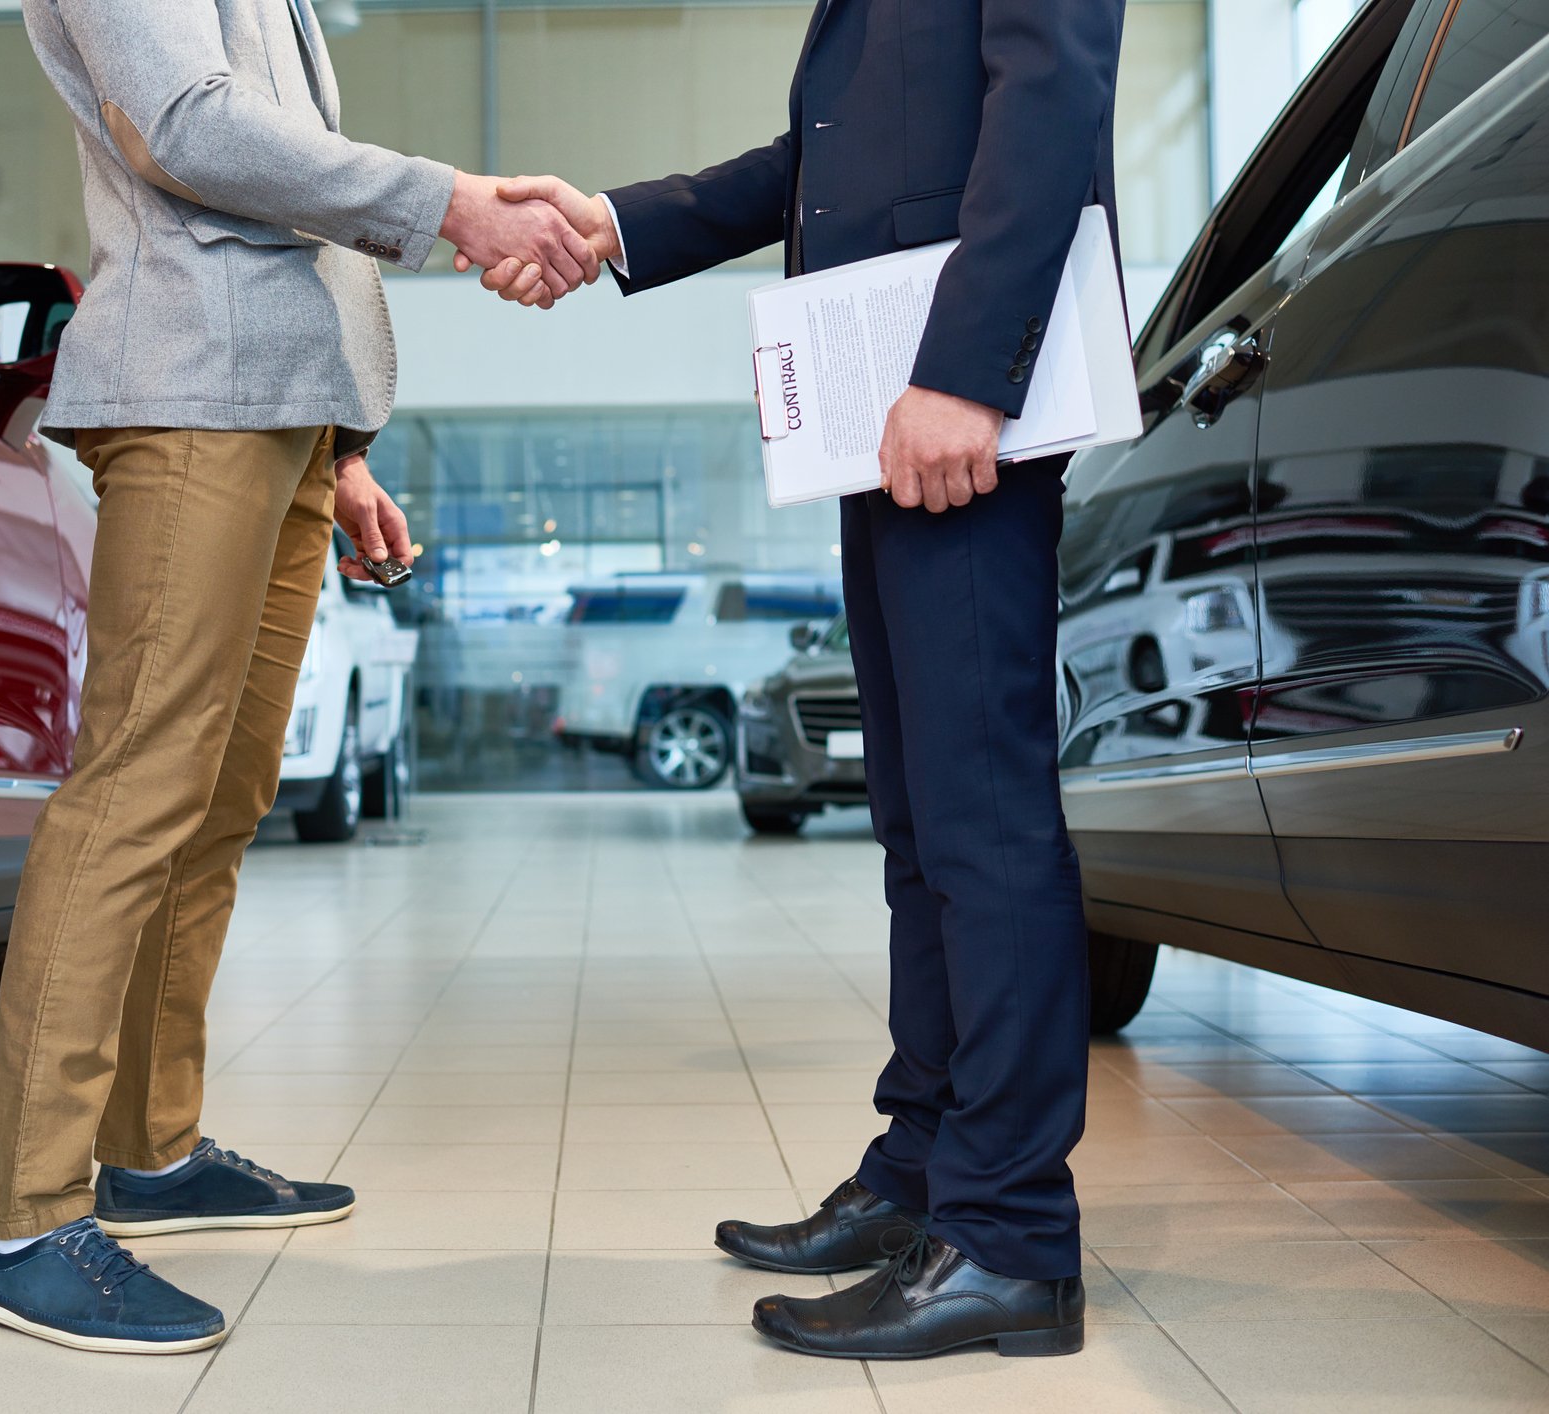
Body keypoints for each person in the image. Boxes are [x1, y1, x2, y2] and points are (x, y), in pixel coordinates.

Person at [467, 0, 1125, 1362]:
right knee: (916, 816)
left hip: (954, 402)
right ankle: (926, 1175)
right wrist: (615, 223)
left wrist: (964, 373)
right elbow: (831, 150)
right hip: (884, 399)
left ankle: (1009, 1236)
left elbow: (1052, 93)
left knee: (981, 816)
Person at [0, 0, 601, 1356]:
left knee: (223, 794)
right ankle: (24, 1216)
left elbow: (284, 173)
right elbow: (190, 128)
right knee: (136, 790)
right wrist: (449, 205)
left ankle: (150, 1146)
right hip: (192, 391)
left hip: (285, 411)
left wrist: (344, 448)